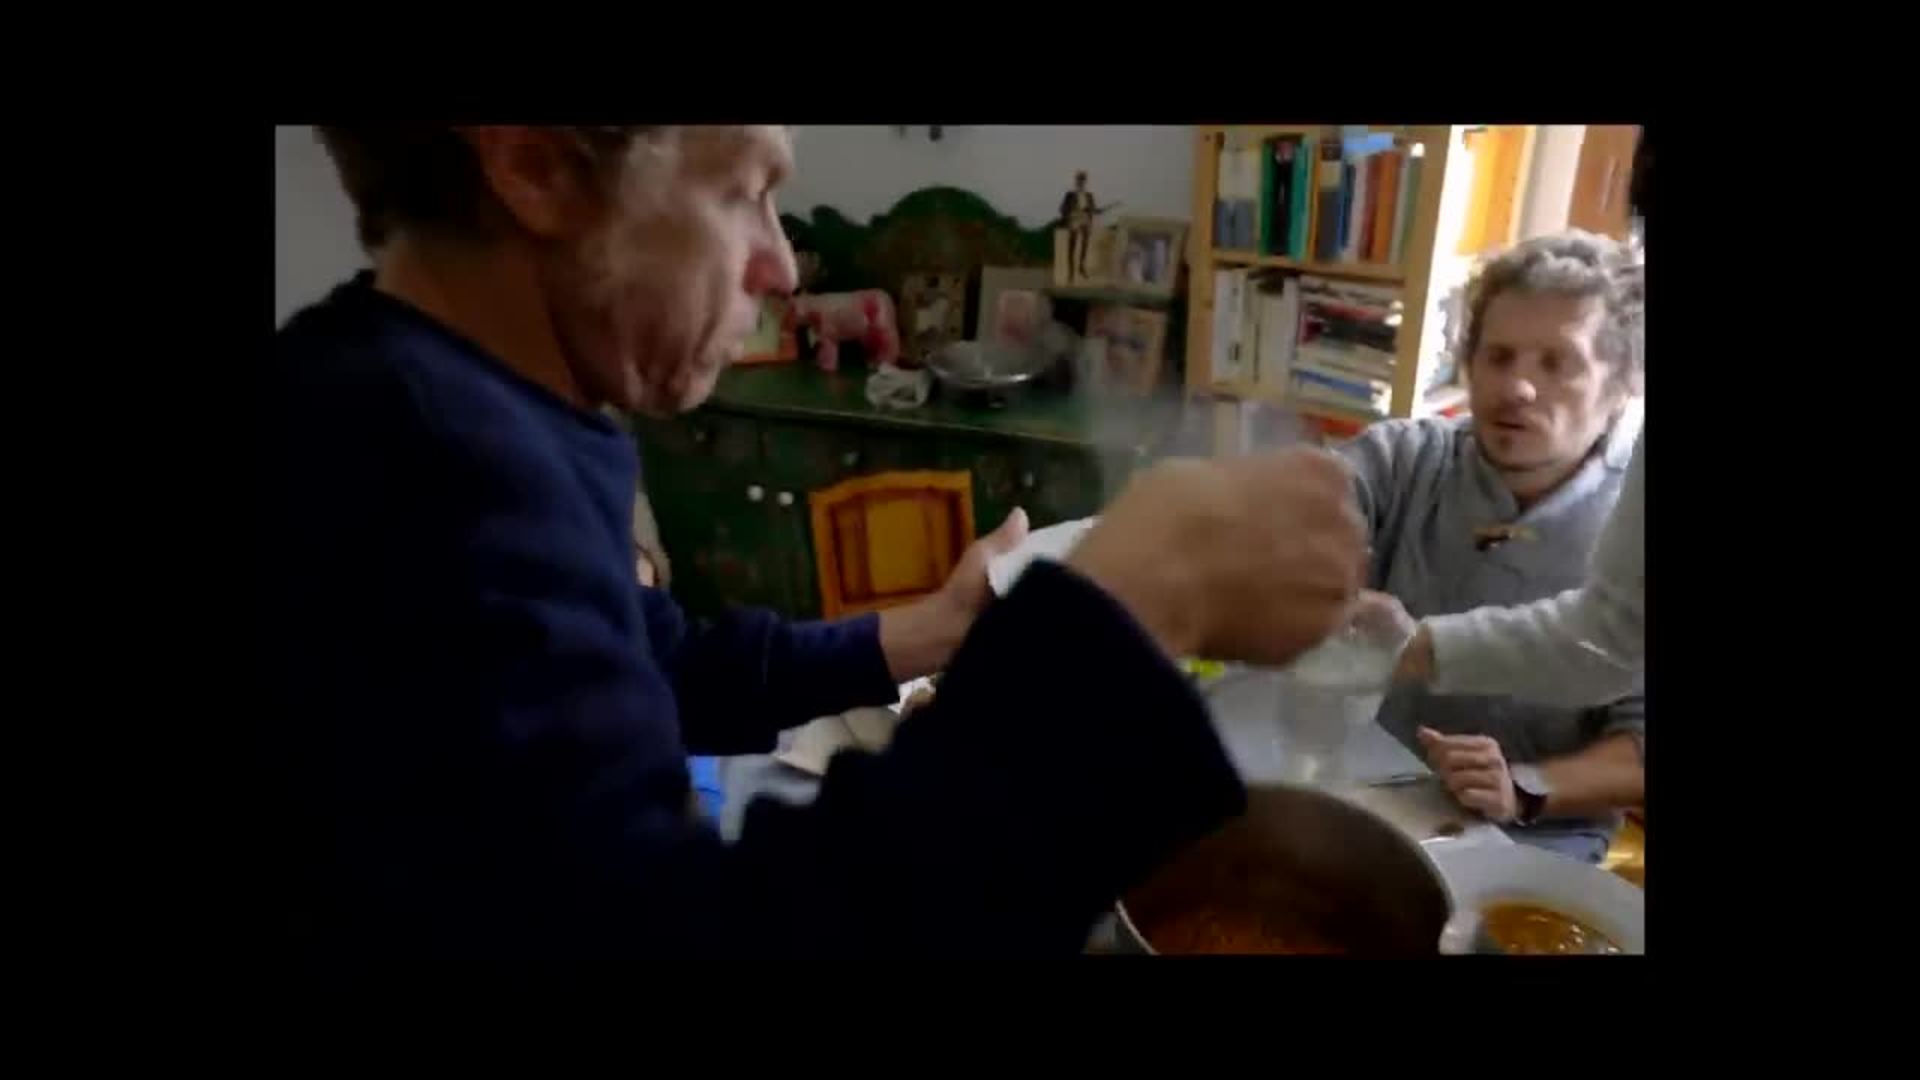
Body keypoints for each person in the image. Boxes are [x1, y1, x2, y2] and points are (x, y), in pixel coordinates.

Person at [265, 124, 1367, 968]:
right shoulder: (423, 469)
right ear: (535, 165)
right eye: (742, 191)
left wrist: (926, 631)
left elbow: (662, 664)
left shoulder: (449, 405)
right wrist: (1134, 609)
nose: (783, 268)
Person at [1335, 230, 1644, 864]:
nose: (1517, 388)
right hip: (1376, 790)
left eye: (1557, 363)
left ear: (1621, 386)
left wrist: (1527, 787)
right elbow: (1307, 504)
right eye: (1498, 357)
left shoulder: (1632, 523)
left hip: (1535, 833)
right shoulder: (1405, 458)